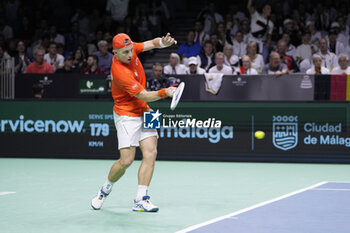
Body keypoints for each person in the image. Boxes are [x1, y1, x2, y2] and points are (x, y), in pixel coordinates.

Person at [91, 32, 177, 212]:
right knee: (126, 161)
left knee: (151, 152)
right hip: (126, 115)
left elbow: (152, 43)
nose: (130, 55)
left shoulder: (131, 48)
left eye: (131, 50)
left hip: (145, 110)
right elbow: (143, 95)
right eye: (125, 52)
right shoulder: (120, 72)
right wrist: (165, 92)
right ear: (115, 52)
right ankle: (105, 189)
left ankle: (141, 198)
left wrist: (164, 42)